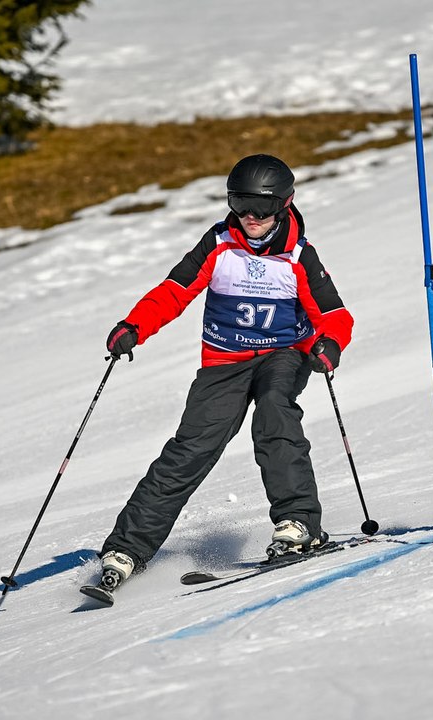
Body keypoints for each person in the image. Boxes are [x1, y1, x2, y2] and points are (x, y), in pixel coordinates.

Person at [96, 154, 354, 592]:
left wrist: (329, 344)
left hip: (284, 354)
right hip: (224, 361)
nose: (251, 217)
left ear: (285, 205)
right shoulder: (218, 242)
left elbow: (334, 314)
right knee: (191, 448)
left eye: (262, 207)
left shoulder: (298, 254)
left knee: (275, 412)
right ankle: (127, 549)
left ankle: (297, 524)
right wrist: (134, 326)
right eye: (240, 203)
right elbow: (174, 291)